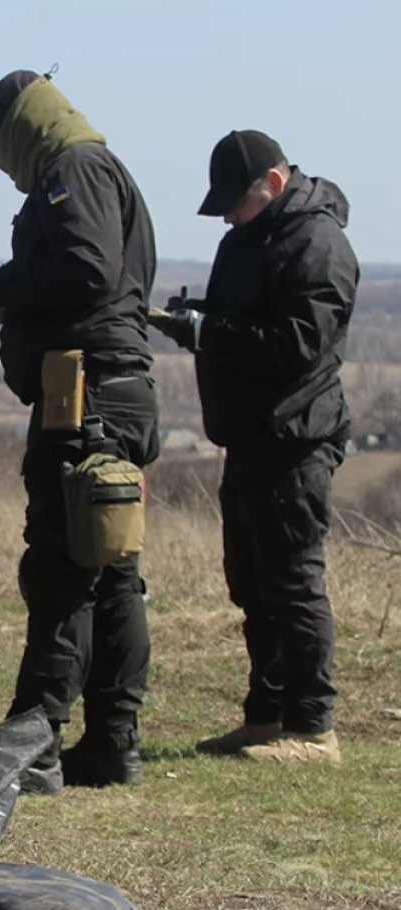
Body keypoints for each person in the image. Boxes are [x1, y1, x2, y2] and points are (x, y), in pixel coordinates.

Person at [0, 70, 159, 789]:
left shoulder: (76, 170)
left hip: (84, 403)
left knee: (63, 572)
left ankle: (34, 746)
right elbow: (85, 280)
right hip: (111, 394)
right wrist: (10, 307)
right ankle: (111, 743)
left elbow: (86, 272)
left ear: (22, 131)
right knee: (111, 571)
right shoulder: (99, 169)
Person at [153, 131, 357, 766]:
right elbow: (245, 315)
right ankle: (266, 716)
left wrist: (211, 331)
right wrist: (197, 320)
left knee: (293, 581)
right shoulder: (253, 236)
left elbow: (299, 343)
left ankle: (313, 727)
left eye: (234, 204)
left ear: (271, 184)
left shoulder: (318, 243)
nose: (227, 217)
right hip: (249, 438)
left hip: (294, 441)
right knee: (252, 582)